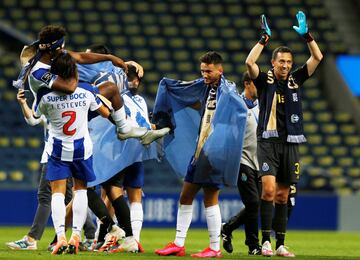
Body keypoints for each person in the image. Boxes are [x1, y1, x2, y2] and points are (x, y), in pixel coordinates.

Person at [155, 51, 247, 258]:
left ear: (220, 70)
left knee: (207, 196)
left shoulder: (227, 90)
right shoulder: (205, 87)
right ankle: (181, 244)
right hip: (202, 150)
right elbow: (185, 92)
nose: (205, 74)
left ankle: (213, 248)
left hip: (215, 151)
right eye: (203, 71)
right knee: (188, 195)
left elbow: (240, 108)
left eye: (209, 71)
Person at [245, 11, 323, 257]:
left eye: (289, 62)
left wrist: (307, 36)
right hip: (268, 141)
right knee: (267, 191)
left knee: (282, 195)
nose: (286, 66)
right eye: (282, 62)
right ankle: (265, 241)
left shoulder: (296, 79)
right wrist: (263, 40)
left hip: (291, 142)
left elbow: (318, 57)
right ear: (273, 63)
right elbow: (249, 63)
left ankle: (280, 244)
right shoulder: (264, 80)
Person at [33, 53, 113, 254]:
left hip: (58, 149)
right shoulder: (86, 91)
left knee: (57, 194)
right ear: (74, 71)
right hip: (81, 149)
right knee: (81, 191)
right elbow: (104, 112)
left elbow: (35, 114)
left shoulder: (45, 96)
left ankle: (60, 236)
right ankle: (76, 235)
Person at [13, 25, 147, 140]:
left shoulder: (51, 53)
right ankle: (131, 126)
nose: (63, 49)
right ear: (54, 49)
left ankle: (127, 127)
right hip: (57, 104)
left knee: (109, 90)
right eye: (61, 47)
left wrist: (109, 58)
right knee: (104, 94)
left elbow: (81, 56)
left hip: (64, 101)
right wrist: (75, 71)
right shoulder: (39, 72)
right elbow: (70, 87)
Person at [6, 89, 96, 251]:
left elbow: (33, 119)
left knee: (47, 196)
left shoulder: (48, 99)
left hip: (55, 155)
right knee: (71, 197)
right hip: (72, 153)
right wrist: (23, 103)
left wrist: (26, 103)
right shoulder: (75, 98)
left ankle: (32, 239)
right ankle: (90, 235)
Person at [221, 72, 262, 256]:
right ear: (247, 83)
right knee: (253, 202)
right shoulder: (236, 104)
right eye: (256, 84)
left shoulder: (263, 105)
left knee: (257, 204)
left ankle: (228, 229)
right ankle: (253, 245)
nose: (260, 88)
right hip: (242, 160)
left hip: (261, 162)